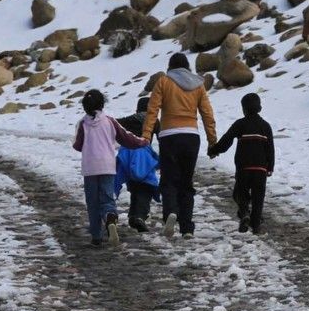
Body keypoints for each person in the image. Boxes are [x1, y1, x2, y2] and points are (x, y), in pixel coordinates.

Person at [142, 53, 218, 239]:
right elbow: (207, 114)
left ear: (170, 66)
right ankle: (187, 228)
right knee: (186, 182)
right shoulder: (198, 85)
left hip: (169, 136)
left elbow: (152, 111)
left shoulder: (163, 82)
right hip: (191, 136)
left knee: (168, 180)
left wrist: (146, 136)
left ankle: (170, 213)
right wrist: (212, 141)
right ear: (187, 66)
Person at [72, 90, 147, 247]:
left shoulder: (83, 124)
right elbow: (126, 138)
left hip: (90, 168)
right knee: (107, 198)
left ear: (84, 107)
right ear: (103, 104)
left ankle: (96, 236)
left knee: (92, 202)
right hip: (107, 166)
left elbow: (77, 145)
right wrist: (142, 141)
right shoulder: (110, 121)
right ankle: (110, 218)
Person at [208, 93, 275, 235]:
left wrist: (214, 150)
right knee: (258, 196)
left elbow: (227, 140)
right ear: (260, 107)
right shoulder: (266, 126)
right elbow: (270, 148)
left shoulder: (240, 124)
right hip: (261, 168)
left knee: (240, 192)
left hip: (244, 167)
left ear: (243, 109)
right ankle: (256, 225)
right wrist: (270, 167)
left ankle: (244, 213)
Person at [116, 97, 160, 233]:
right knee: (145, 186)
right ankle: (139, 216)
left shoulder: (129, 120)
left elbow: (114, 125)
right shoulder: (154, 121)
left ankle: (133, 216)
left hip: (126, 155)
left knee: (134, 186)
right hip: (144, 156)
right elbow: (162, 137)